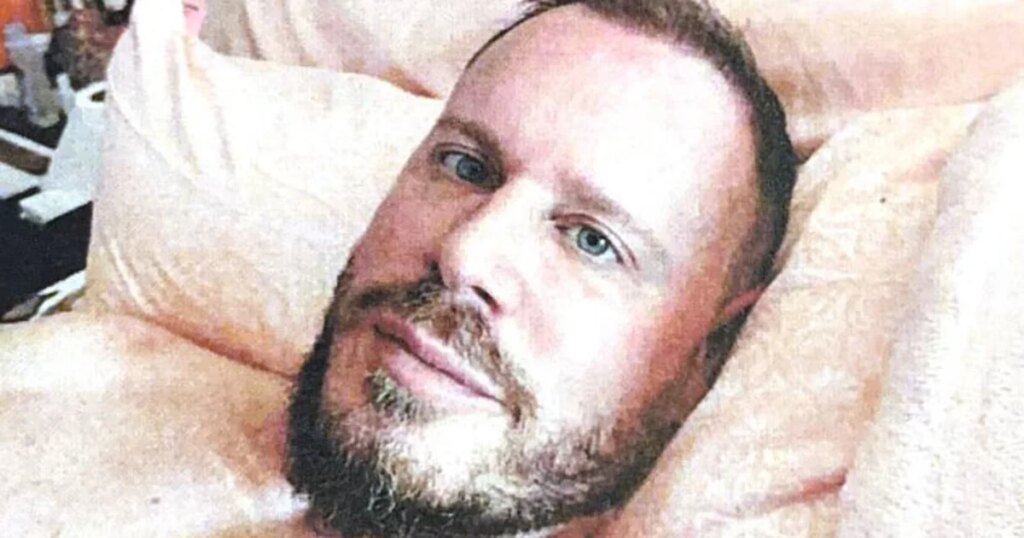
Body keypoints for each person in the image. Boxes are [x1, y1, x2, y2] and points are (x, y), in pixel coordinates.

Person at [0, 0, 795, 536]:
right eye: (465, 165)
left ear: (705, 354)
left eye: (591, 240)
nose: (467, 254)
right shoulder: (83, 382)